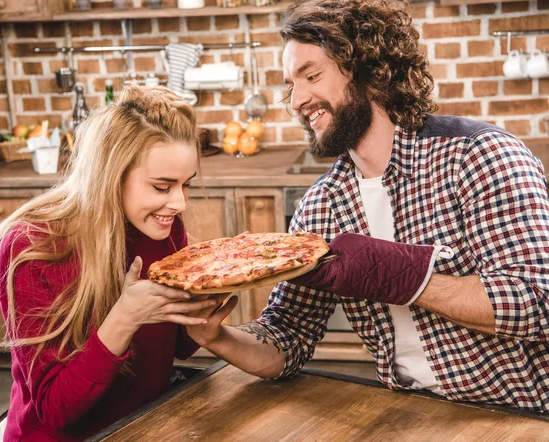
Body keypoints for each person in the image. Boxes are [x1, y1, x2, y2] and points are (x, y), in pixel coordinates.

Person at [186, 0, 549, 412]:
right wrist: (215, 336)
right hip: (411, 412)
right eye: (290, 84)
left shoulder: (479, 156)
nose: (296, 101)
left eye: (312, 75)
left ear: (369, 70)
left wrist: (397, 274)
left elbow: (538, 303)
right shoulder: (321, 206)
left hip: (524, 414)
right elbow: (286, 338)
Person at [0, 85, 235, 441]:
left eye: (186, 185)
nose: (179, 203)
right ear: (112, 177)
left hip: (145, 423)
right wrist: (125, 317)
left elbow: (173, 347)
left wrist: (199, 322)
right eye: (162, 187)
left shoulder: (163, 224)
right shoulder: (31, 246)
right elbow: (54, 408)